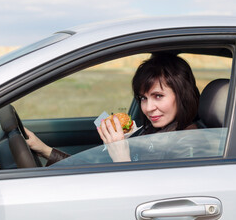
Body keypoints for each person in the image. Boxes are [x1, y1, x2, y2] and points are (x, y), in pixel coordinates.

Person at [25, 53, 200, 164]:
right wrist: (44, 150)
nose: (148, 108)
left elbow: (152, 202)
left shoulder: (188, 144)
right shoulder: (152, 131)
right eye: (143, 98)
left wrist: (121, 158)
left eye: (158, 96)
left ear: (182, 94)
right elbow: (94, 170)